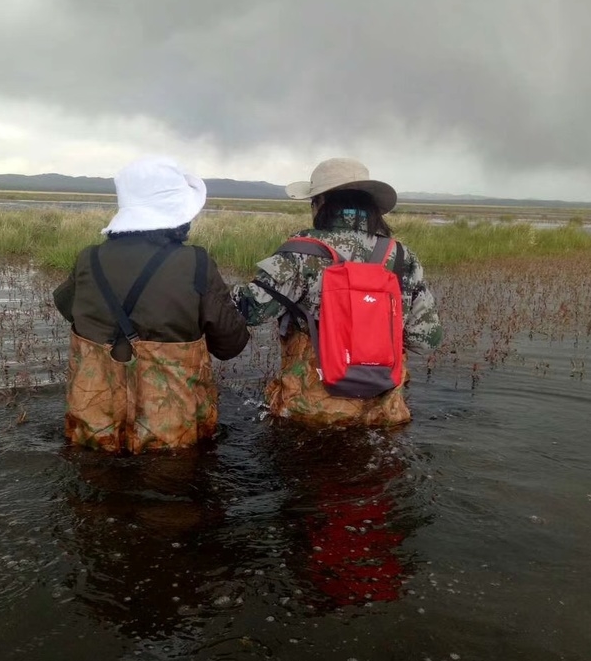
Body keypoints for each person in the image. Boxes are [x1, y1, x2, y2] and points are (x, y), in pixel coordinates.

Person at [53, 156, 249, 453]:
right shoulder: (196, 263)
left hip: (93, 429)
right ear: (177, 214)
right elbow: (230, 345)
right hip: (171, 436)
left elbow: (66, 306)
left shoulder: (88, 259)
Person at [232, 158, 442, 426]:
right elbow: (426, 339)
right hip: (384, 409)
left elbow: (251, 310)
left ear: (320, 203)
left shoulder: (300, 251)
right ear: (372, 208)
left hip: (312, 407)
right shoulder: (402, 256)